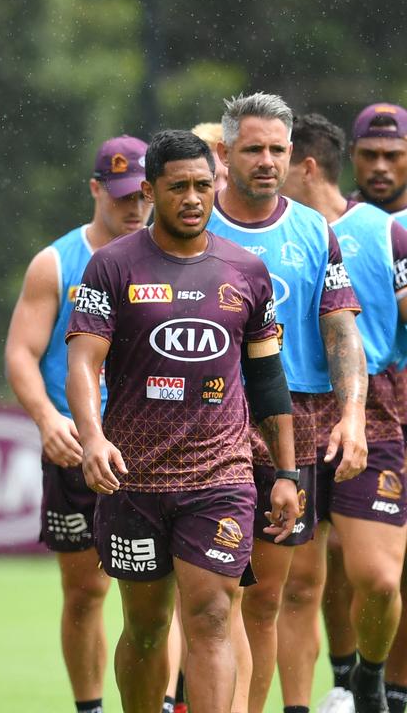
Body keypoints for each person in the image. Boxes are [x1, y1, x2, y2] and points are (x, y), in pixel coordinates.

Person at [67, 128, 299, 713]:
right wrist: (91, 438)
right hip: (134, 479)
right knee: (145, 629)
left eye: (203, 185)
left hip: (220, 477)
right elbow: (83, 361)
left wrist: (288, 473)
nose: (193, 198)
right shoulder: (110, 267)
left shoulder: (245, 271)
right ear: (149, 191)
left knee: (214, 616)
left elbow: (268, 378)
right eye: (178, 188)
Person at [204, 93, 372, 713]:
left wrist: (352, 415)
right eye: (254, 149)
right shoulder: (194, 222)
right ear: (226, 153)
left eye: (279, 148)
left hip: (294, 421)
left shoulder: (313, 231)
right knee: (211, 594)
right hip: (206, 416)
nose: (269, 160)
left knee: (267, 596)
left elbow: (341, 330)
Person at [5, 134, 157, 713]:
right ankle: (90, 707)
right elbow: (22, 351)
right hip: (73, 445)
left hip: (155, 445)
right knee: (87, 590)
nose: (134, 208)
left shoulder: (174, 258)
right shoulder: (57, 262)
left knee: (156, 594)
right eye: (121, 195)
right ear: (96, 189)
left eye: (143, 194)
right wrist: (45, 418)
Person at [273, 112, 407, 713]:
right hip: (296, 411)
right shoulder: (274, 233)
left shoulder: (386, 233)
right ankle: (309, 700)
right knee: (300, 582)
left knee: (379, 579)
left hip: (373, 410)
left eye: (281, 160)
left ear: (305, 165)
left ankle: (372, 680)